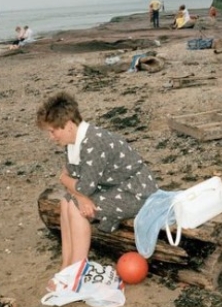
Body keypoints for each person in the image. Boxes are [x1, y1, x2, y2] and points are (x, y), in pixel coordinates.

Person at [36, 92, 157, 278]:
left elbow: (80, 185)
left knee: (75, 206)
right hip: (114, 188)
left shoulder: (93, 142)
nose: (51, 137)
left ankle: (77, 271)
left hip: (136, 192)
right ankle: (66, 267)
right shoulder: (72, 143)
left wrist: (65, 181)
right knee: (66, 201)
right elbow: (76, 181)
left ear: (68, 125)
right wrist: (78, 194)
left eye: (53, 131)